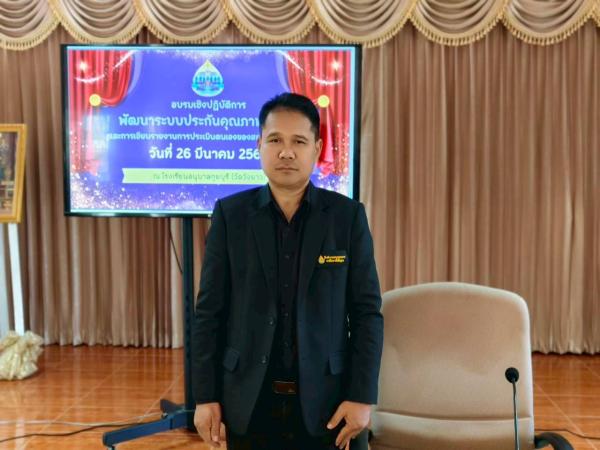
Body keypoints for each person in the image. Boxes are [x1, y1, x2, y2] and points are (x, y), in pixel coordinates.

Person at [191, 92, 383, 450]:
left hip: (330, 404)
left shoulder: (347, 217)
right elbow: (208, 314)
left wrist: (362, 396)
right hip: (248, 402)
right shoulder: (231, 216)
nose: (286, 152)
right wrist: (204, 397)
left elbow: (367, 314)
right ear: (259, 145)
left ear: (317, 148)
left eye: (299, 141)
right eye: (275, 140)